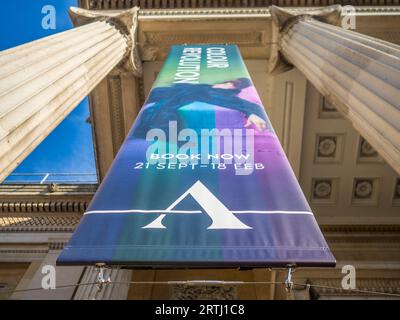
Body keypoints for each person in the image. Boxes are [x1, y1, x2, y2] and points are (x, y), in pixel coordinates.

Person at [132, 77, 268, 139]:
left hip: (162, 116)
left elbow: (240, 103)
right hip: (163, 100)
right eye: (230, 83)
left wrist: (251, 113)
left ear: (234, 87)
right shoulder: (206, 88)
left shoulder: (224, 94)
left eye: (233, 85)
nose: (228, 84)